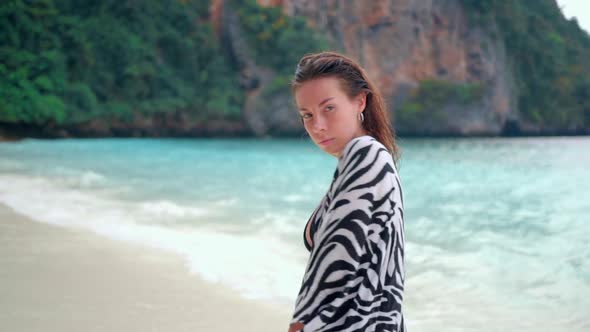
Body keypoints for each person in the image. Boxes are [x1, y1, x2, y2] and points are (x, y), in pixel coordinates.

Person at [288, 52, 406, 332]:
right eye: (307, 115)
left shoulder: (367, 158)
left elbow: (331, 276)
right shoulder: (367, 160)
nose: (317, 126)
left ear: (360, 101)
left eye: (328, 108)